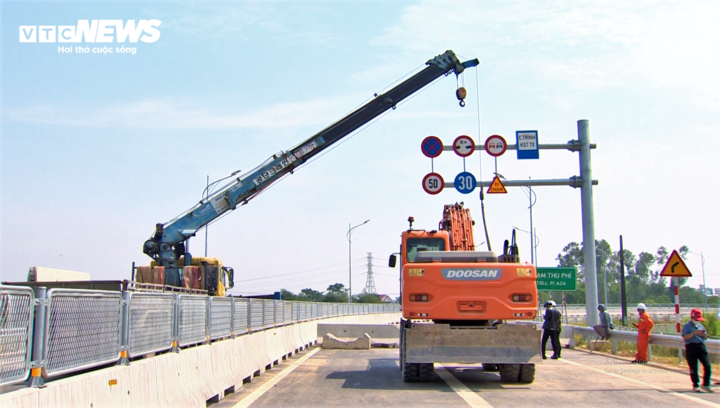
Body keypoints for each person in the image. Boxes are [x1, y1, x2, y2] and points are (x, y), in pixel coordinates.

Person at [682, 308, 713, 393]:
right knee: (693, 367)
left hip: (700, 346)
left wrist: (703, 334)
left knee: (707, 365)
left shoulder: (701, 326)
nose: (697, 321)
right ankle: (695, 385)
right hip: (691, 347)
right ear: (692, 317)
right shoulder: (686, 326)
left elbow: (705, 337)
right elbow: (685, 337)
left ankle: (706, 384)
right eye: (696, 319)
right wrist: (694, 333)